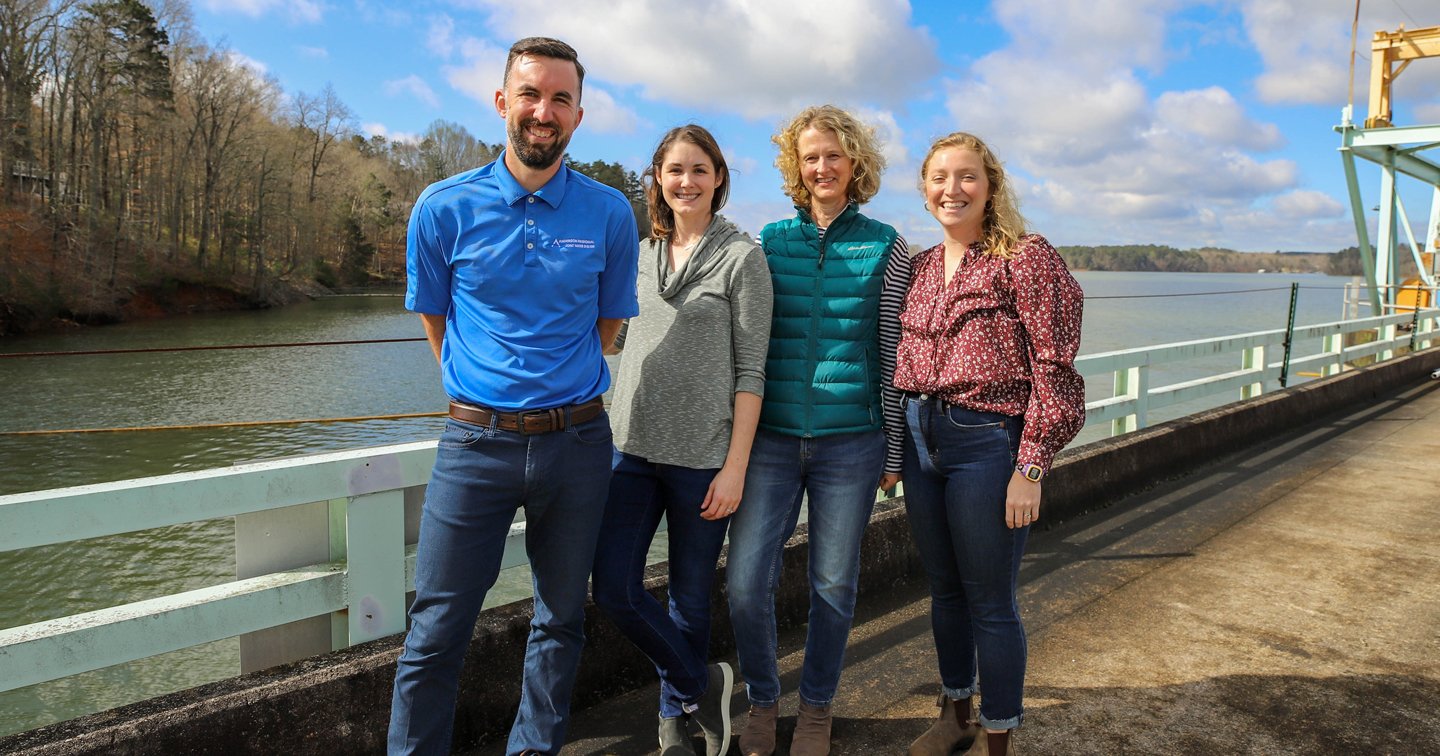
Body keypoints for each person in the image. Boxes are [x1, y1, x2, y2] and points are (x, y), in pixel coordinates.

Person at [387, 37, 640, 756]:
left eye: (560, 98)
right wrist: (486, 394)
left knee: (561, 619)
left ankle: (533, 749)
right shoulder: (443, 208)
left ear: (579, 115)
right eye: (530, 94)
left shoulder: (609, 212)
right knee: (436, 626)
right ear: (502, 102)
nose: (543, 110)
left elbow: (609, 323)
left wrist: (553, 392)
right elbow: (435, 321)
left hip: (580, 445)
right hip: (477, 447)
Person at [724, 105, 910, 756]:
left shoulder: (887, 246)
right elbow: (741, 342)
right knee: (746, 581)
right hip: (771, 438)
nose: (822, 167)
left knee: (834, 583)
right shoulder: (769, 242)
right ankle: (764, 699)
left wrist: (894, 446)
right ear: (795, 169)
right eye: (811, 157)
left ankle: (817, 709)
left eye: (834, 155)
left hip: (850, 444)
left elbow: (892, 353)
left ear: (855, 163)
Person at [895, 132, 1084, 756]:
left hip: (987, 441)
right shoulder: (921, 267)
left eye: (967, 176)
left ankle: (998, 736)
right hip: (924, 438)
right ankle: (955, 714)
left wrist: (1030, 466)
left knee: (990, 601)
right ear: (925, 192)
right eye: (939, 178)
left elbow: (1054, 366)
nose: (953, 189)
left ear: (990, 186)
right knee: (944, 590)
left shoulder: (1025, 258)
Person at [591, 124, 773, 756]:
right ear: (657, 180)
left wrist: (736, 467)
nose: (686, 181)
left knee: (692, 598)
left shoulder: (742, 257)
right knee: (613, 587)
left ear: (718, 177)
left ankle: (676, 720)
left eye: (699, 169)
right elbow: (605, 335)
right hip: (630, 450)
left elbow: (753, 373)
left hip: (703, 459)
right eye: (674, 170)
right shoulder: (639, 254)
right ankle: (703, 682)